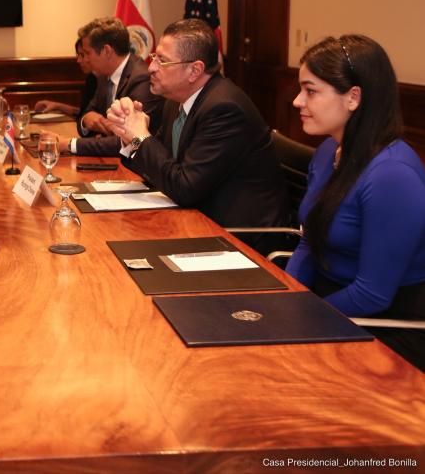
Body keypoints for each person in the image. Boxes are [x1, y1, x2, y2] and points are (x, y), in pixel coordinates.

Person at [285, 35, 425, 370]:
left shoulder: (393, 175)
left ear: (353, 98)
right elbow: (309, 242)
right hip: (330, 301)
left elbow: (373, 294)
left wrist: (301, 320)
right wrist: (287, 297)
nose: (296, 101)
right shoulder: (326, 153)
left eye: (311, 90)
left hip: (386, 326)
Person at [106, 19, 289, 240]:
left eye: (162, 61)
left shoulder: (224, 109)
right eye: (154, 57)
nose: (151, 67)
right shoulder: (176, 100)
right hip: (195, 218)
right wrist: (129, 135)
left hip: (237, 237)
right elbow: (162, 170)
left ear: (195, 70)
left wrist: (142, 137)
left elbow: (185, 188)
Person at [60, 17, 163, 157]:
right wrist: (86, 121)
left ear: (107, 51)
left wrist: (69, 144)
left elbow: (131, 142)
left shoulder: (141, 79)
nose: (84, 59)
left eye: (87, 53)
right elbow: (87, 114)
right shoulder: (104, 75)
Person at [34, 37, 98, 118]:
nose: (78, 60)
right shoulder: (92, 79)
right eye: (78, 55)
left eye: (82, 55)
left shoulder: (105, 81)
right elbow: (83, 113)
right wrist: (57, 105)